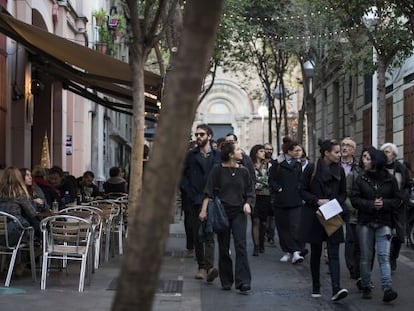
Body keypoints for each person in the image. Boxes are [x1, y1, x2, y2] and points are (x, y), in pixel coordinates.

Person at [199, 141, 255, 293]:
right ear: (230, 154)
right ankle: (226, 280)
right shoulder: (217, 170)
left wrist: (248, 203)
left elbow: (250, 191)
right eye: (238, 149)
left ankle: (243, 281)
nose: (241, 152)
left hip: (239, 213)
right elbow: (208, 191)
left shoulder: (244, 171)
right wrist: (203, 211)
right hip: (221, 213)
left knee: (241, 246)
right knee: (224, 247)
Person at [299, 139, 348, 301]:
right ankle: (316, 286)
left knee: (334, 252)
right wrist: (317, 200)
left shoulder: (340, 171)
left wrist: (334, 203)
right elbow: (302, 190)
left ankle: (336, 288)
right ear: (326, 153)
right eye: (336, 152)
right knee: (316, 252)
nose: (339, 155)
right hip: (315, 216)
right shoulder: (312, 169)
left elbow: (343, 193)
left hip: (333, 215)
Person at [350, 146, 400, 302]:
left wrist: (384, 204)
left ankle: (387, 288)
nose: (364, 160)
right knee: (366, 256)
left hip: (384, 221)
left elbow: (397, 199)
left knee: (383, 256)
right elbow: (355, 200)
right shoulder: (361, 178)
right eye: (363, 157)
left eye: (367, 157)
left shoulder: (389, 179)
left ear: (375, 161)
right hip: (365, 222)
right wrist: (371, 204)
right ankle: (366, 285)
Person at [181, 124, 221, 282]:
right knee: (198, 234)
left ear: (209, 136)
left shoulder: (218, 155)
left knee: (210, 233)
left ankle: (209, 267)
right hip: (194, 199)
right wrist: (188, 190)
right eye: (196, 134)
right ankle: (201, 267)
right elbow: (181, 175)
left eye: (202, 134)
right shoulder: (190, 155)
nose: (198, 137)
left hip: (212, 199)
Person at [269, 137, 304, 264]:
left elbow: (301, 181)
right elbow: (271, 180)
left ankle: (295, 251)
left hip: (295, 201)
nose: (298, 152)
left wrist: (299, 190)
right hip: (281, 201)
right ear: (288, 151)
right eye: (295, 150)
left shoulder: (298, 165)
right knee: (283, 227)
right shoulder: (277, 165)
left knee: (295, 226)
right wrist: (278, 189)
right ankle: (287, 251)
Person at [380, 142, 410, 272]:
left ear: (394, 155)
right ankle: (386, 261)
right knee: (385, 234)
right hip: (384, 205)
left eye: (387, 152)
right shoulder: (379, 168)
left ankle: (393, 257)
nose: (385, 154)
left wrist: (404, 198)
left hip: (399, 206)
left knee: (398, 236)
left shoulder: (401, 168)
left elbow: (407, 184)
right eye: (384, 152)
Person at [340, 137, 361, 280]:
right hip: (335, 204)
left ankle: (353, 266)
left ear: (353, 150)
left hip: (351, 206)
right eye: (343, 145)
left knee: (351, 237)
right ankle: (330, 259)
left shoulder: (358, 167)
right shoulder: (335, 165)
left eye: (348, 145)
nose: (344, 148)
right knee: (332, 235)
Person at [0, 167, 41, 241]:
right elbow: (32, 213)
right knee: (34, 225)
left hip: (2, 234)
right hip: (13, 234)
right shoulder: (19, 195)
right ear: (19, 179)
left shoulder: (1, 194)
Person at [249, 144, 271, 256]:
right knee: (255, 220)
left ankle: (262, 243)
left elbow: (268, 180)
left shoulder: (268, 165)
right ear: (256, 152)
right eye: (261, 151)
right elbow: (250, 181)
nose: (264, 153)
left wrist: (260, 181)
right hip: (254, 196)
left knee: (263, 222)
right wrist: (260, 182)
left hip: (266, 196)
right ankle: (256, 246)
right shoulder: (250, 165)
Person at [264, 143, 276, 244]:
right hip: (262, 193)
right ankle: (263, 233)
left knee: (272, 216)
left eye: (270, 149)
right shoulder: (259, 163)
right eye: (267, 149)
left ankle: (271, 235)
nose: (269, 151)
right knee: (264, 216)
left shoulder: (275, 163)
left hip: (272, 192)